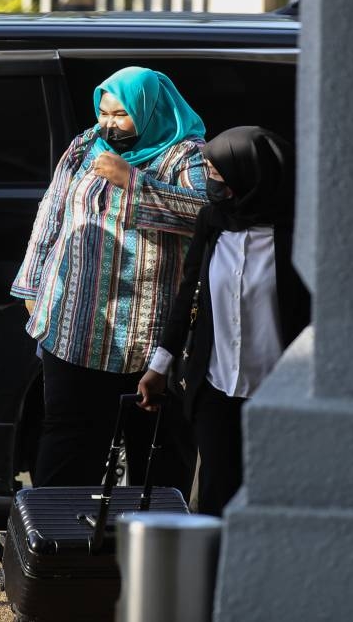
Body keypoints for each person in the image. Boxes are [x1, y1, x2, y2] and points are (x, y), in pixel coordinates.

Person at [10, 66, 208, 494]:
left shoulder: (185, 155)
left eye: (121, 114)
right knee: (68, 444)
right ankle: (58, 534)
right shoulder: (85, 145)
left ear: (149, 110)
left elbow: (205, 214)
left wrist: (133, 182)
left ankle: (150, 538)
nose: (108, 124)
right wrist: (32, 286)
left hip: (149, 338)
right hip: (76, 327)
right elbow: (52, 213)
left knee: (158, 455)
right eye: (104, 112)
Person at [138, 126, 310, 516]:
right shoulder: (212, 222)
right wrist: (160, 366)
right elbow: (188, 294)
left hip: (280, 390)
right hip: (215, 387)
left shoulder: (297, 235)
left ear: (251, 176)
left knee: (272, 500)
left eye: (218, 174)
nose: (212, 183)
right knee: (216, 496)